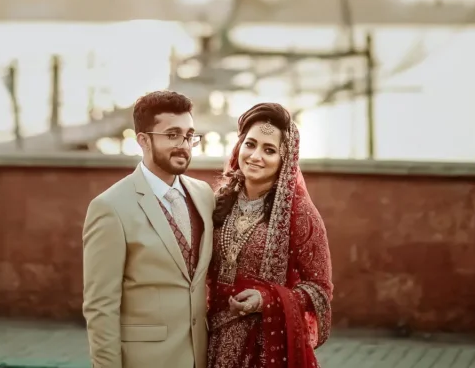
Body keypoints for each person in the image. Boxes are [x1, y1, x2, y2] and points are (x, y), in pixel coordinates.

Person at [83, 90, 215, 368]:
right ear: (142, 140)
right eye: (172, 135)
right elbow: (100, 307)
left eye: (190, 135)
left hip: (202, 357)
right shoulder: (110, 207)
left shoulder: (204, 195)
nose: (184, 144)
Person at [207, 102, 333, 368]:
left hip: (266, 348)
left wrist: (266, 299)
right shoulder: (217, 201)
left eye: (269, 150)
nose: (255, 156)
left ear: (284, 160)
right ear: (238, 146)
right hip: (211, 341)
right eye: (250, 144)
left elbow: (320, 289)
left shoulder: (300, 214)